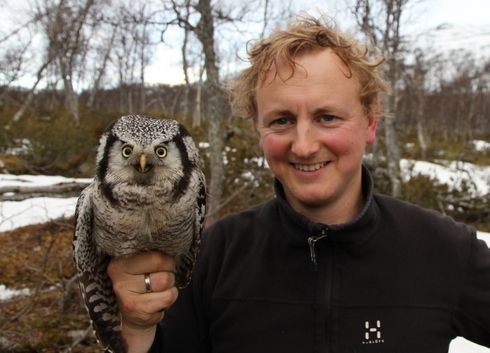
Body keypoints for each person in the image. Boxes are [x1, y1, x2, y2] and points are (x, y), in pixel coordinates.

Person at [107, 16, 490, 353]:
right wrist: (137, 329)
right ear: (258, 129)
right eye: (281, 121)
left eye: (327, 117)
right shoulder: (213, 257)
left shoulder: (443, 250)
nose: (304, 145)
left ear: (370, 122)